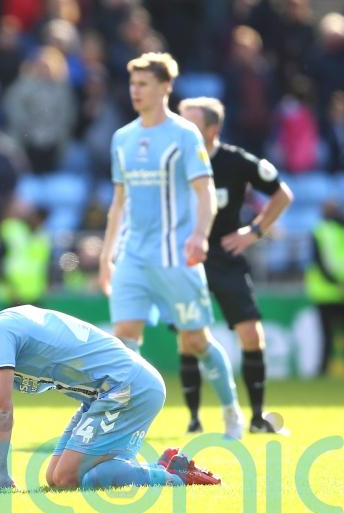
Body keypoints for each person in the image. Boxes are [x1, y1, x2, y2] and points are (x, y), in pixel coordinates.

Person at [98, 53, 245, 439]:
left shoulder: (184, 134)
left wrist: (199, 234)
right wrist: (105, 255)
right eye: (133, 84)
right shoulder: (123, 138)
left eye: (144, 83)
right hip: (132, 256)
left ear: (166, 87)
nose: (136, 91)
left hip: (175, 257)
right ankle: (127, 428)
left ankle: (231, 410)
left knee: (195, 340)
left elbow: (204, 192)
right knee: (125, 342)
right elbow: (118, 203)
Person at [0, 305, 221, 490]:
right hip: (104, 396)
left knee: (70, 477)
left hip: (127, 387)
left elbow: (1, 408)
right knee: (55, 477)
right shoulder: (3, 328)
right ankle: (167, 466)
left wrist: (0, 479)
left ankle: (172, 477)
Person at [179, 97, 294, 434]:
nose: (182, 130)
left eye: (192, 124)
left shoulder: (235, 161)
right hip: (188, 257)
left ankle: (258, 418)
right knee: (187, 338)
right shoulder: (172, 162)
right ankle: (193, 421)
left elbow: (282, 193)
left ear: (213, 130)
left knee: (250, 334)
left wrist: (254, 231)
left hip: (226, 256)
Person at [305, 200, 344, 377]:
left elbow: (319, 261)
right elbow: (321, 262)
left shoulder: (319, 231)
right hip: (329, 291)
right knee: (327, 336)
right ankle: (323, 370)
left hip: (325, 292)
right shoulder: (323, 231)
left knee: (326, 336)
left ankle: (323, 370)